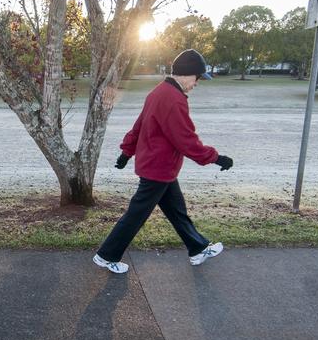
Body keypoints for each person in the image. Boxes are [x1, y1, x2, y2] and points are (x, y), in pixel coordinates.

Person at [93, 49, 233, 274]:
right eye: (198, 78)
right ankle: (106, 255)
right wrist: (217, 158)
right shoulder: (173, 100)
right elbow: (186, 141)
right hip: (158, 169)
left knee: (177, 212)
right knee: (136, 215)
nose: (197, 83)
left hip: (160, 167)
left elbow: (139, 126)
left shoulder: (158, 92)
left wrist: (127, 152)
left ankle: (197, 248)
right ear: (187, 75)